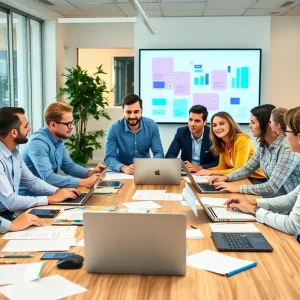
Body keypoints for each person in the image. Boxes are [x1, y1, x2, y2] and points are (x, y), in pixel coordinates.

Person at [225, 106, 300, 236]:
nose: (284, 135)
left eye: (287, 130)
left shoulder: (287, 149)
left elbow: (292, 225)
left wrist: (254, 209)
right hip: (282, 211)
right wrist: (251, 203)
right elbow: (291, 198)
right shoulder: (264, 144)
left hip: (287, 217)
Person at [0, 107, 81, 216]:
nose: (29, 129)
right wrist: (50, 199)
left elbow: (32, 181)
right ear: (14, 132)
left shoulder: (14, 152)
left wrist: (57, 191)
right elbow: (11, 201)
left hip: (9, 214)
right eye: (25, 126)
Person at [211, 104, 300, 197]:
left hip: (289, 206)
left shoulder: (287, 147)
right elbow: (247, 169)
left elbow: (272, 186)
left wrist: (237, 188)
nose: (250, 126)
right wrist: (226, 177)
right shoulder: (264, 144)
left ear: (268, 124)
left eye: (253, 122)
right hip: (273, 199)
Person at [21, 102, 105, 195]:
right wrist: (84, 182)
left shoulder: (58, 139)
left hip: (49, 195)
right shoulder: (37, 143)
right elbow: (49, 178)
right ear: (53, 124)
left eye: (72, 122)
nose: (72, 127)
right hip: (32, 201)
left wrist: (91, 173)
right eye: (68, 124)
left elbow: (69, 166)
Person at [196, 112, 265, 182]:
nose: (217, 128)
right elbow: (222, 166)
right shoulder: (223, 143)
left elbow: (239, 169)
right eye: (214, 125)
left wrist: (211, 172)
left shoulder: (242, 139)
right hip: (237, 178)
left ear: (230, 124)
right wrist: (205, 171)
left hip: (256, 179)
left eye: (222, 124)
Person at [104, 94, 164, 174]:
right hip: (121, 171)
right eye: (128, 112)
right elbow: (108, 158)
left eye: (136, 112)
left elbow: (159, 153)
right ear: (123, 111)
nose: (132, 116)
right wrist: (124, 168)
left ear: (141, 110)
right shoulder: (114, 129)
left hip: (146, 171)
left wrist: (150, 165)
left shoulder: (151, 125)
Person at [165, 105, 219, 172]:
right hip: (187, 172)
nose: (192, 124)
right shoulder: (181, 132)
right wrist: (180, 165)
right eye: (190, 119)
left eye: (197, 121)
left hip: (206, 172)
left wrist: (199, 167)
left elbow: (217, 162)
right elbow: (170, 155)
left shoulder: (212, 134)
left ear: (204, 122)